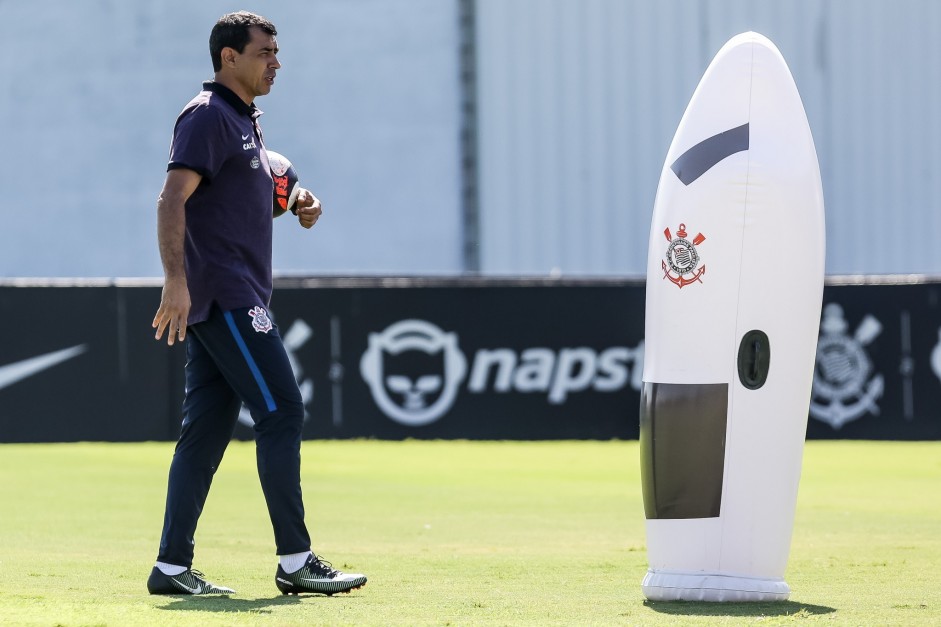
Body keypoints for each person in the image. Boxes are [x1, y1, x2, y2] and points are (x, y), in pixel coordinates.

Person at [147, 10, 366, 596]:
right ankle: (295, 560)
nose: (276, 60)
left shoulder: (243, 122)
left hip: (227, 295)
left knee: (204, 435)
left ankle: (170, 568)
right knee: (282, 412)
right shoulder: (207, 115)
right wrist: (175, 280)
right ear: (229, 58)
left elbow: (257, 179)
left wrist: (295, 195)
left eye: (276, 49)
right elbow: (172, 200)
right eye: (265, 50)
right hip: (227, 296)